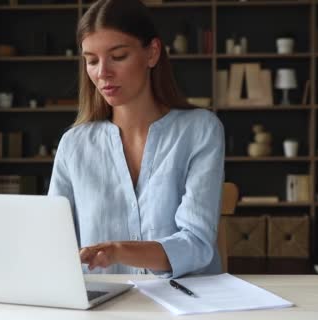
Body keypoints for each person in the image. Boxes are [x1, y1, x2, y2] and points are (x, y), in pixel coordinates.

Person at [48, 0, 224, 278]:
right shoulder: (73, 145)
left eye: (118, 56)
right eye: (92, 61)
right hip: (104, 308)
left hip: (186, 305)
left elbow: (197, 243)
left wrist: (119, 250)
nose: (102, 72)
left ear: (152, 53)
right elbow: (54, 246)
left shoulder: (200, 130)